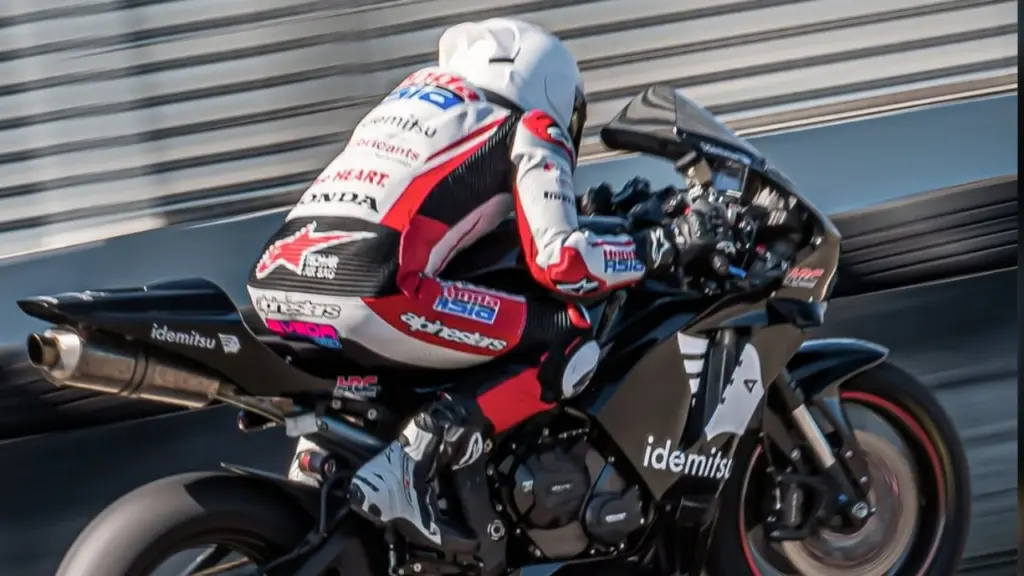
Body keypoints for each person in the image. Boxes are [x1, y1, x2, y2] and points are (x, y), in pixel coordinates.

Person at [246, 18, 719, 555]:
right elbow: (562, 262)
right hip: (373, 295)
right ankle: (413, 458)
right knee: (568, 334)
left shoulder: (413, 108)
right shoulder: (529, 123)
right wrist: (661, 245)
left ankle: (319, 466)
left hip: (277, 289)